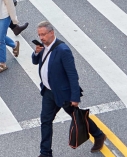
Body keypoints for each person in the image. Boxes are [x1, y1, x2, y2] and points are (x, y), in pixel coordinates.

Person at [33, 21, 106, 156]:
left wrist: (75, 97)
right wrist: (36, 53)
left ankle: (99, 135)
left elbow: (72, 75)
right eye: (39, 35)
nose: (41, 37)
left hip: (63, 94)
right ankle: (45, 153)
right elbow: (35, 61)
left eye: (43, 34)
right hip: (49, 92)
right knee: (45, 121)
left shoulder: (63, 50)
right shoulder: (43, 46)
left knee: (77, 117)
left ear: (51, 33)